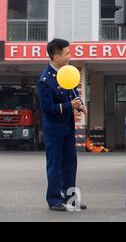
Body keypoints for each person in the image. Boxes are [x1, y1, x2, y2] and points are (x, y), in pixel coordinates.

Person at [37, 38, 87, 211]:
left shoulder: (67, 71)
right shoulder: (45, 80)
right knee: (55, 164)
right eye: (67, 53)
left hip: (67, 126)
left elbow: (73, 91)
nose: (70, 56)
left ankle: (71, 198)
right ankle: (54, 200)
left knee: (70, 164)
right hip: (54, 129)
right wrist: (69, 106)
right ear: (56, 56)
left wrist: (80, 103)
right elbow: (47, 108)